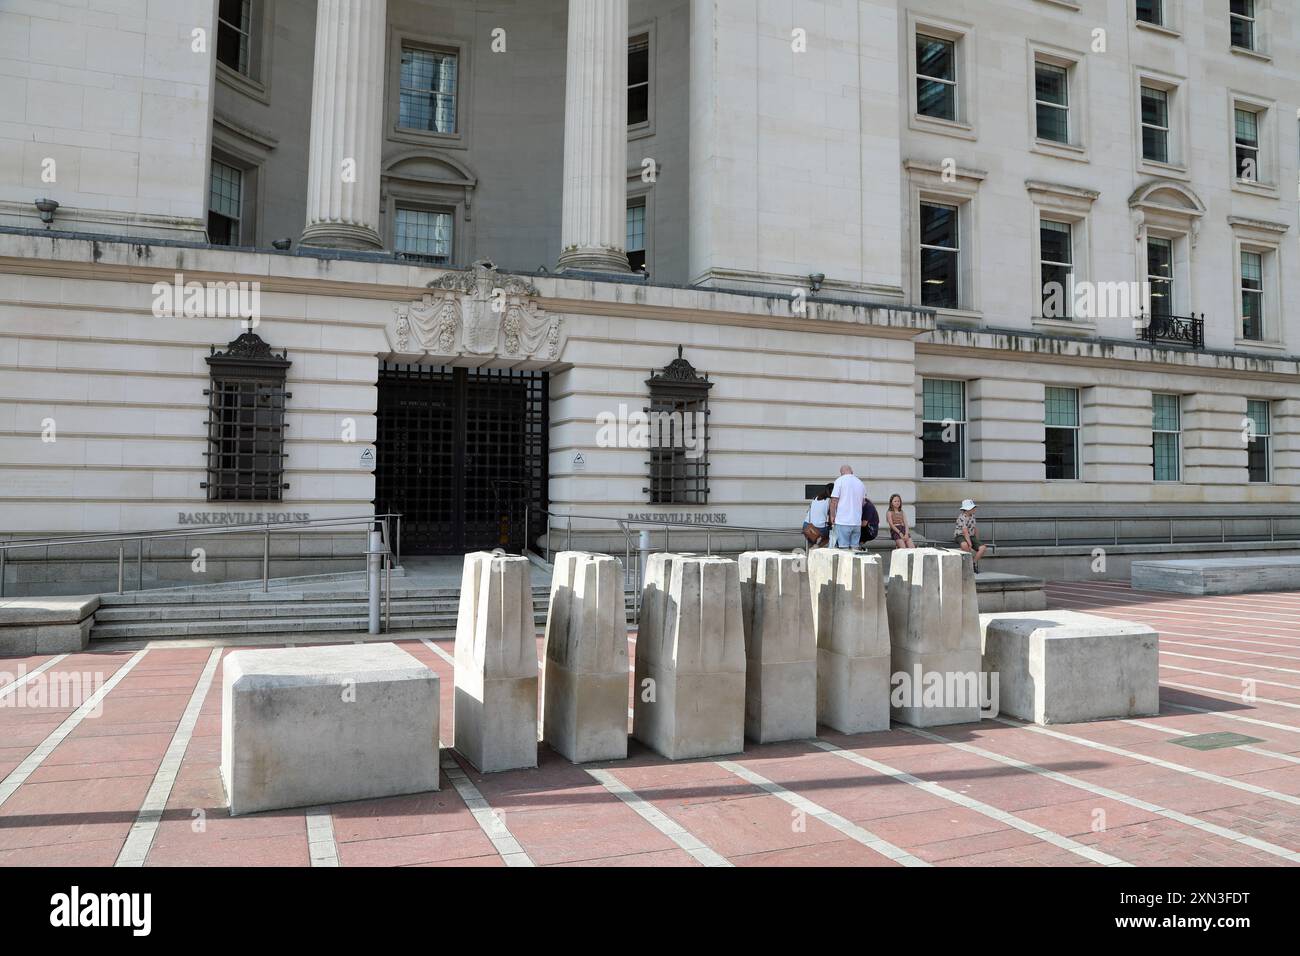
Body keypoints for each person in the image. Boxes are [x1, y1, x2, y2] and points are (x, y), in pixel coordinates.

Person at [828, 465, 866, 549]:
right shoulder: (860, 483)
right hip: (856, 522)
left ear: (841, 473)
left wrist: (832, 516)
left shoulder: (839, 480)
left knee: (843, 549)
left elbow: (834, 501)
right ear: (852, 471)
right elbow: (863, 503)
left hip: (843, 521)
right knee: (854, 548)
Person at [954, 498, 988, 572]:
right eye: (973, 507)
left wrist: (977, 540)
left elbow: (975, 528)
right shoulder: (961, 517)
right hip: (961, 535)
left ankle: (973, 562)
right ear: (967, 509)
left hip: (971, 536)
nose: (975, 509)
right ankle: (968, 564)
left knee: (983, 548)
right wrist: (970, 544)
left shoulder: (973, 516)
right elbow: (965, 531)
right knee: (964, 545)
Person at [802, 484, 832, 549]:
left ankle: (810, 550)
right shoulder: (830, 500)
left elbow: (808, 511)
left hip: (806, 525)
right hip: (820, 528)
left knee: (812, 539)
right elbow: (831, 516)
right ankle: (817, 546)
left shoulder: (815, 498)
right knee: (829, 536)